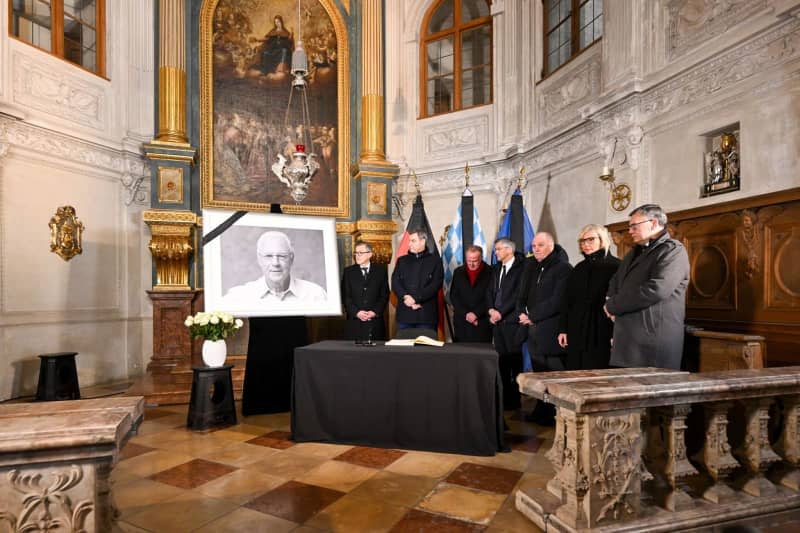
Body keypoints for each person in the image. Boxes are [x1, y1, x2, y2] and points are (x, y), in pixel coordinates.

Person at [604, 204, 690, 369]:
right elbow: (616, 280)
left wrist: (613, 305)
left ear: (654, 223)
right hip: (628, 340)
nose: (630, 231)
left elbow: (657, 289)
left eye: (634, 226)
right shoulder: (635, 252)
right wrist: (609, 300)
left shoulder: (672, 251)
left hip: (652, 341)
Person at [517, 232, 572, 425]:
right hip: (533, 331)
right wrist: (523, 314)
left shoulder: (563, 268)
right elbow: (521, 295)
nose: (536, 249)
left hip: (551, 330)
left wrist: (532, 316)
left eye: (540, 245)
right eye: (533, 246)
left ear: (551, 246)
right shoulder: (531, 267)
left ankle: (560, 414)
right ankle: (543, 410)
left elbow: (558, 301)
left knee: (555, 376)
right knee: (539, 375)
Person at [557, 224, 621, 371]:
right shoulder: (578, 268)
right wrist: (563, 329)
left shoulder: (616, 266)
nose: (586, 244)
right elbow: (567, 301)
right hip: (576, 330)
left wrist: (616, 334)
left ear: (602, 240)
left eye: (590, 240)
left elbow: (619, 303)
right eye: (582, 241)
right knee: (575, 373)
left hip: (601, 330)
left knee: (598, 375)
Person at [225, 231, 327, 303]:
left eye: (282, 256)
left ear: (291, 259)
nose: (275, 263)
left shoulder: (316, 295)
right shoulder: (237, 297)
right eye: (268, 256)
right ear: (259, 259)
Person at [487, 238, 527, 411]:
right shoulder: (496, 268)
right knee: (502, 360)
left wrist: (501, 312)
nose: (495, 253)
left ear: (509, 250)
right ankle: (504, 398)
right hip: (497, 322)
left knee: (515, 360)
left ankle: (515, 398)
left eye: (498, 249)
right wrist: (490, 310)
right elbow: (489, 291)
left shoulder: (522, 268)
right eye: (496, 250)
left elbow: (518, 295)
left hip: (512, 321)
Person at [392, 229, 444, 331]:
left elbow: (435, 285)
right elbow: (395, 282)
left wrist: (416, 298)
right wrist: (405, 297)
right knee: (405, 346)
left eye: (413, 241)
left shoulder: (435, 261)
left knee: (426, 346)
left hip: (426, 315)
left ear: (423, 241)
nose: (409, 244)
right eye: (409, 241)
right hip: (405, 314)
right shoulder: (402, 261)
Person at [341, 241, 389, 341]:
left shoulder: (381, 271)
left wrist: (374, 312)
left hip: (375, 322)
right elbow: (345, 296)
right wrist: (357, 312)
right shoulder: (348, 272)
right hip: (354, 323)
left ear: (370, 254)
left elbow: (384, 295)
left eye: (360, 253)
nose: (357, 256)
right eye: (356, 253)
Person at [448, 245, 492, 342]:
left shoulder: (491, 272)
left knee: (482, 355)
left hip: (482, 322)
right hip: (462, 322)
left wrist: (476, 314)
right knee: (462, 354)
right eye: (469, 260)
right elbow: (454, 296)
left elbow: (491, 297)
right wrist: (466, 314)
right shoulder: (458, 272)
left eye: (475, 261)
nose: (471, 264)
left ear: (481, 258)